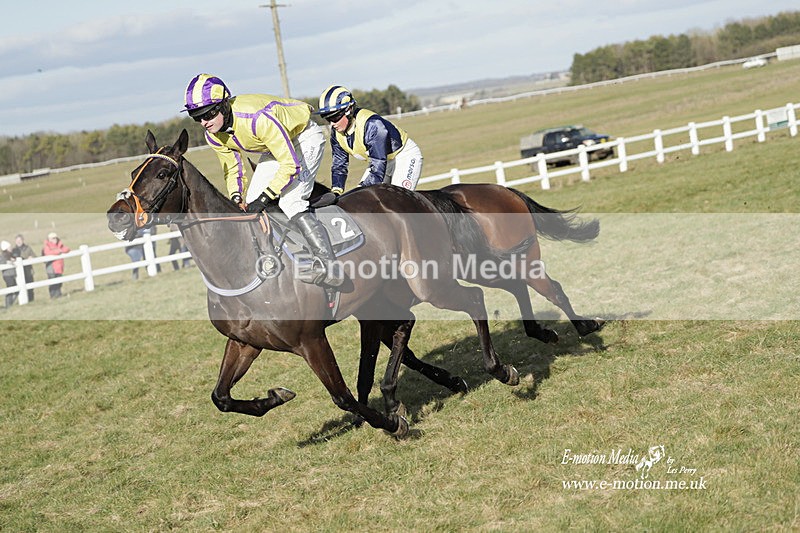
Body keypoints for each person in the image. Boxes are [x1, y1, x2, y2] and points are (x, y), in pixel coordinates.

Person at [183, 73, 342, 287]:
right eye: (196, 117)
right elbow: (232, 168)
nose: (204, 122)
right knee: (250, 201)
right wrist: (236, 197)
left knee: (290, 201)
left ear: (223, 106)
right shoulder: (213, 135)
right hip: (273, 147)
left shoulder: (257, 118)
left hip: (304, 136)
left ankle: (329, 264)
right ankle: (281, 256)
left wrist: (266, 196)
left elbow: (289, 165)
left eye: (208, 114)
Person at [317, 85, 423, 194]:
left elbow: (378, 169)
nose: (332, 124)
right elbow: (339, 165)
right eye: (328, 119)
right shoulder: (336, 133)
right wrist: (336, 190)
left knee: (398, 200)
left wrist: (358, 191)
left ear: (348, 110)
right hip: (380, 161)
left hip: (403, 157)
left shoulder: (373, 125)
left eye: (335, 117)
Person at [42, 232, 70, 298]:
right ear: (49, 239)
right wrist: (58, 251)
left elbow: (67, 249)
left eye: (55, 238)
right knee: (52, 281)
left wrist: (60, 250)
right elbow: (47, 253)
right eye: (52, 238)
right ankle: (53, 296)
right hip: (51, 267)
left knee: (59, 281)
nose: (54, 239)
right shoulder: (47, 246)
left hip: (59, 267)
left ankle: (58, 294)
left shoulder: (59, 244)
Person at [12, 234, 35, 302]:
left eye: (20, 240)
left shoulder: (28, 248)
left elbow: (34, 255)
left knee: (30, 286)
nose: (18, 242)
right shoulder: (13, 250)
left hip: (28, 270)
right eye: (17, 240)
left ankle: (31, 300)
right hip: (18, 272)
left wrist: (31, 257)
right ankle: (21, 301)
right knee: (20, 286)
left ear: (23, 240)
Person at [1, 240, 17, 308]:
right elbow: (1, 262)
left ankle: (10, 304)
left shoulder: (11, 255)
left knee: (15, 289)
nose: (11, 248)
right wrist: (7, 262)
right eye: (9, 247)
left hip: (11, 275)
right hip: (7, 275)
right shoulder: (3, 256)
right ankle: (8, 305)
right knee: (11, 289)